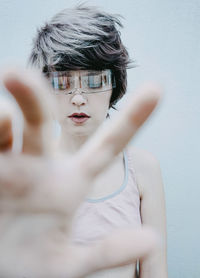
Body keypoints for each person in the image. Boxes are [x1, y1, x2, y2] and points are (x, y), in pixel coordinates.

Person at [0, 4, 167, 278]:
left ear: (115, 84)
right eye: (62, 82)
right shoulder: (23, 177)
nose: (78, 98)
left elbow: (155, 272)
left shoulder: (143, 169)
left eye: (94, 80)